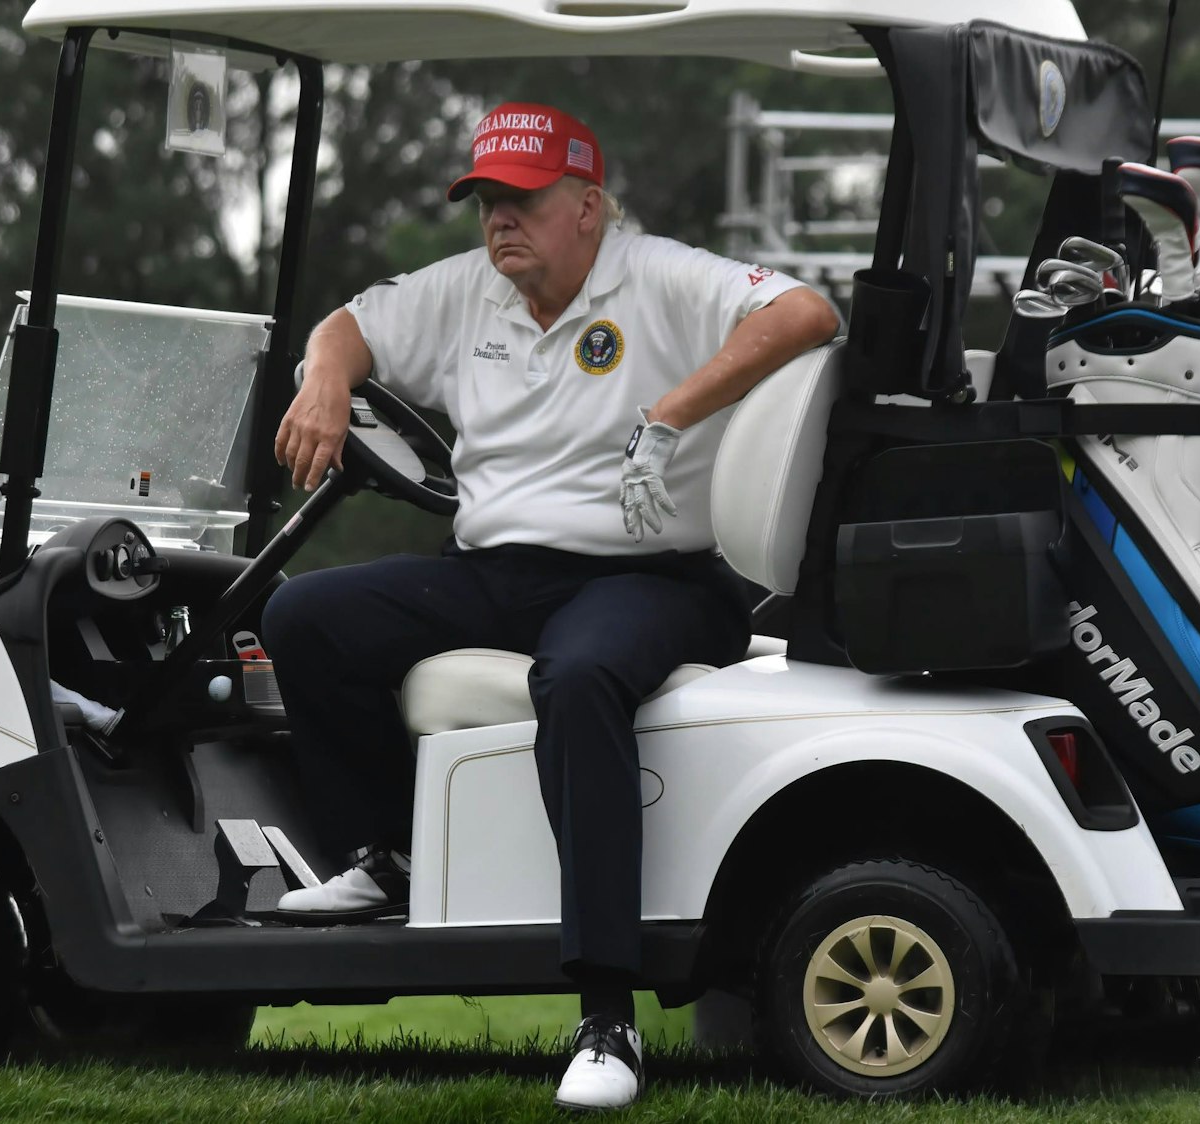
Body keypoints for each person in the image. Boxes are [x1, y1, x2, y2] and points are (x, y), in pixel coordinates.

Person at [262, 101, 838, 1111]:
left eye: (521, 201)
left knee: (575, 679)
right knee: (304, 615)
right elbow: (349, 326)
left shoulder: (653, 272)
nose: (499, 222)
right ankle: (388, 852)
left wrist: (671, 411)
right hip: (496, 573)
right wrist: (321, 380)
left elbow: (806, 314)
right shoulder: (468, 292)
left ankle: (608, 1014)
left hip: (652, 576)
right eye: (486, 201)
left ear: (588, 206)